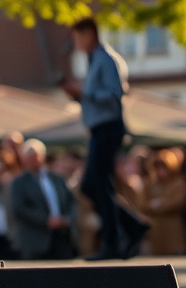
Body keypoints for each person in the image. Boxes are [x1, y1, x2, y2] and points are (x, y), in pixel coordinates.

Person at [61, 17, 149, 260]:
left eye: (78, 37)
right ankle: (131, 227)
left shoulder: (105, 59)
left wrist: (84, 92)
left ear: (89, 34)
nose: (76, 43)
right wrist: (80, 96)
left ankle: (115, 240)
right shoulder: (95, 60)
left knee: (97, 184)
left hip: (108, 127)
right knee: (94, 185)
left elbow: (113, 94)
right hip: (101, 128)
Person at [9, 139, 76, 260]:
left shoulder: (58, 179)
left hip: (61, 238)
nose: (33, 161)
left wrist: (67, 219)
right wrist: (46, 220)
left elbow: (70, 202)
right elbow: (19, 208)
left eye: (36, 157)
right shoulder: (19, 182)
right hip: (35, 241)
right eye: (29, 158)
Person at [144, 148, 186, 256]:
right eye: (157, 168)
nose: (160, 171)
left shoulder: (178, 183)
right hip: (156, 231)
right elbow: (141, 203)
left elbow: (178, 202)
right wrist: (152, 205)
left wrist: (161, 204)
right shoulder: (150, 185)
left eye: (163, 168)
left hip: (173, 230)